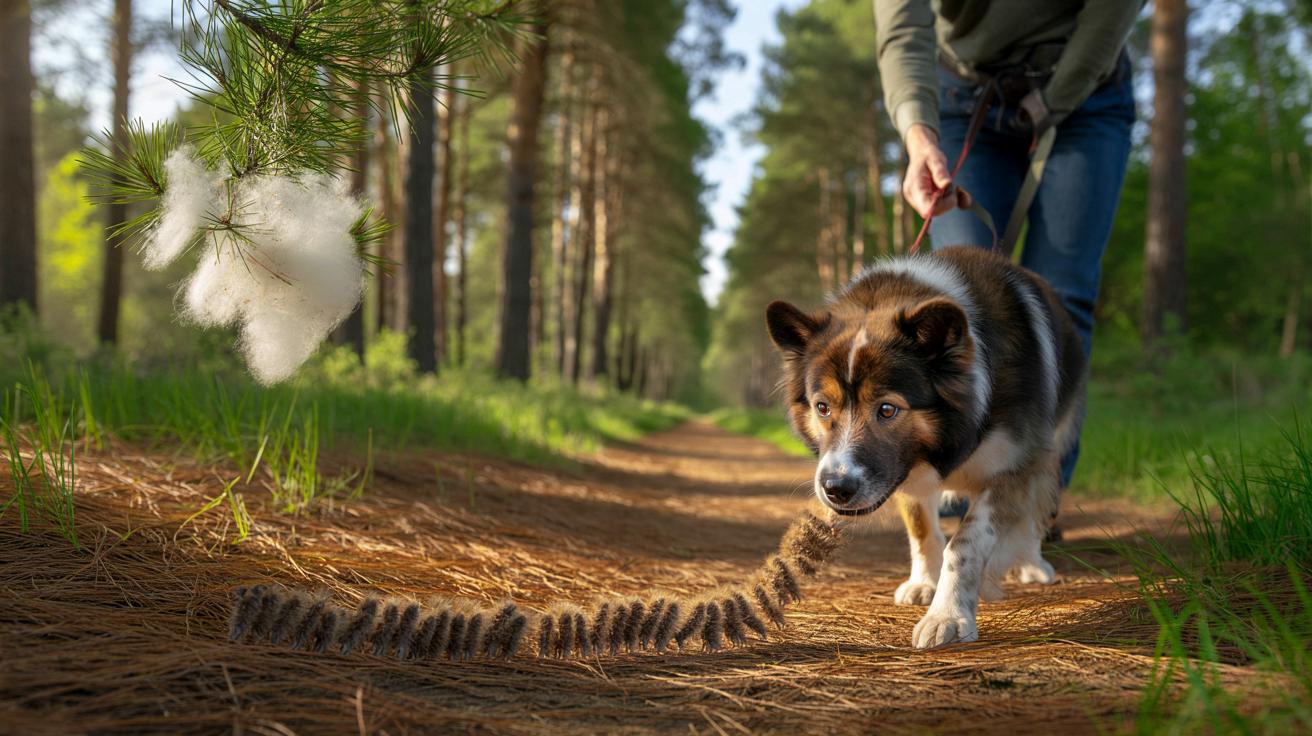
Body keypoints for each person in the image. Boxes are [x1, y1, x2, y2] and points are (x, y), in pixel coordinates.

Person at [873, 0, 1142, 529]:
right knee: (958, 306)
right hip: (962, 96)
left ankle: (1034, 494)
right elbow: (901, 31)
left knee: (1064, 295)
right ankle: (963, 478)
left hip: (1086, 88)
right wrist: (918, 134)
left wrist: (1056, 99)